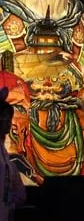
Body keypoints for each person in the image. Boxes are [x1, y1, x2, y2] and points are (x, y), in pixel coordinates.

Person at [0, 88, 26, 221]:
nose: (7, 122)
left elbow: (19, 195)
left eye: (8, 118)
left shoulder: (5, 155)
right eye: (2, 117)